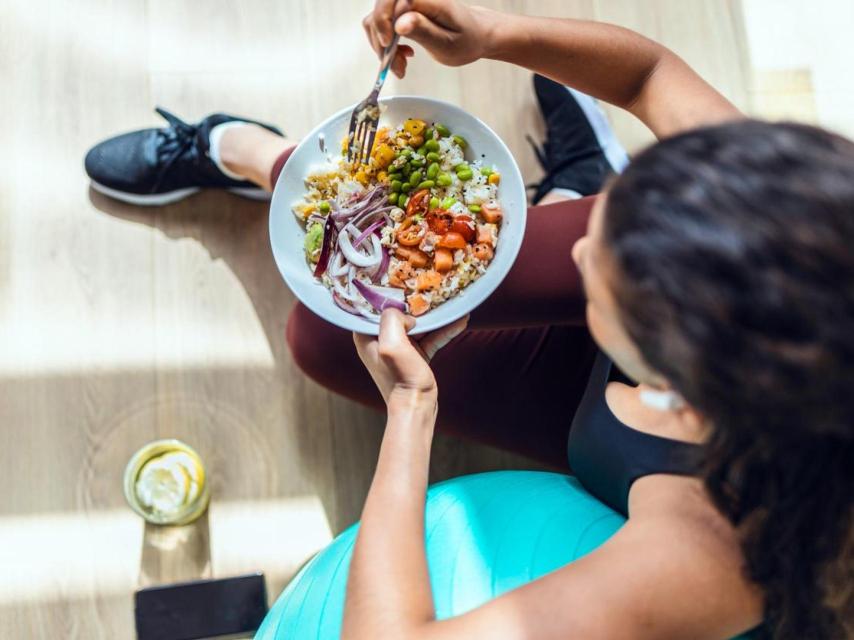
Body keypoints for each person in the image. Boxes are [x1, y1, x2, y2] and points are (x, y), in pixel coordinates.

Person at [84, 2, 854, 638]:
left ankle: (246, 149)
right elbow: (651, 75)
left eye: (603, 271)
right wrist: (497, 36)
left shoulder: (715, 554)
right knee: (328, 327)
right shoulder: (801, 225)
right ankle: (255, 152)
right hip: (634, 388)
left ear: (685, 388)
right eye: (607, 218)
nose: (580, 248)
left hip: (623, 457)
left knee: (328, 343)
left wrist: (411, 412)